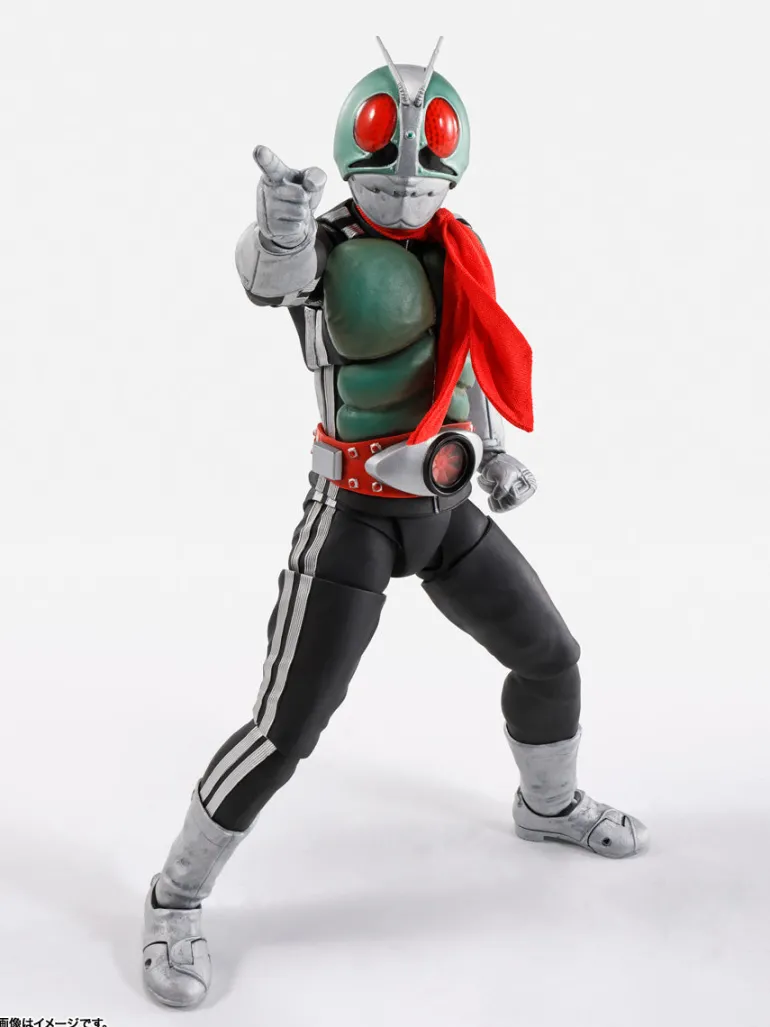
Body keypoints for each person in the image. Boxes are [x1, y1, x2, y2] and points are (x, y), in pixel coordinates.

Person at [142, 37, 648, 1010]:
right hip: (354, 513)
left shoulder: (457, 245)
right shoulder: (329, 245)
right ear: (351, 146)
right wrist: (278, 223)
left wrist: (492, 452)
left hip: (446, 506)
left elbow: (465, 358)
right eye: (388, 146)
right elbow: (270, 276)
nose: (410, 173)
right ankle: (174, 897)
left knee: (550, 655)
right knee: (285, 729)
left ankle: (546, 804)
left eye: (428, 152)